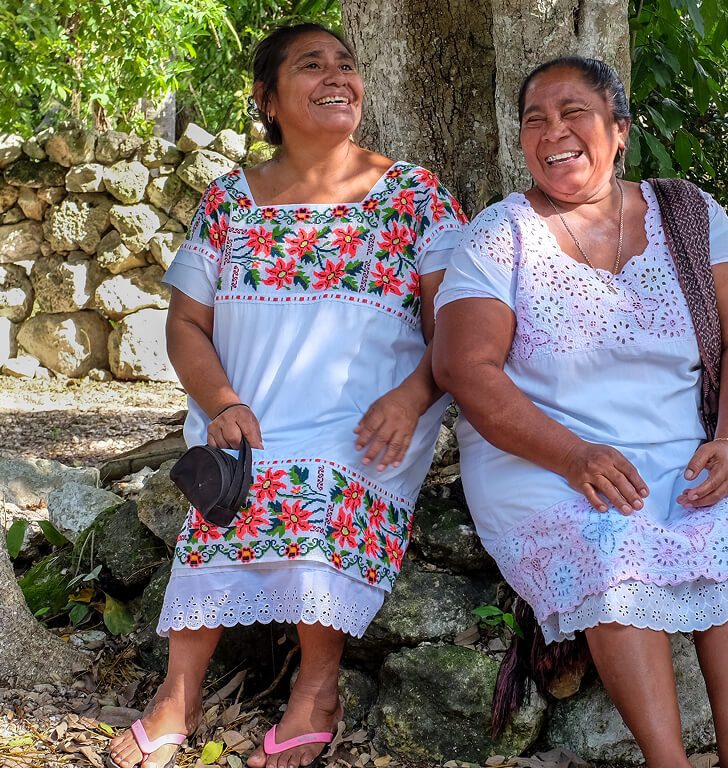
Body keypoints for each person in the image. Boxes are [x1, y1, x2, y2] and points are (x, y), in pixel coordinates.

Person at [108, 23, 465, 769]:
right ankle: (180, 689)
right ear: (267, 100)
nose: (337, 76)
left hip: (369, 415)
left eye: (346, 63)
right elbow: (186, 324)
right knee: (243, 466)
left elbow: (457, 330)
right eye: (312, 65)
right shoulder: (228, 201)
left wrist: (411, 396)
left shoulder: (413, 193)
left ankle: (318, 685)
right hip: (248, 406)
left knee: (317, 472)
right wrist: (225, 402)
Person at [432, 56, 728, 767]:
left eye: (573, 114)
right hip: (541, 457)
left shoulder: (688, 214)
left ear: (619, 130)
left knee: (726, 526)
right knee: (609, 542)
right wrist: (573, 455)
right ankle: (669, 761)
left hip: (678, 444)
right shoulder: (503, 234)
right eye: (535, 120)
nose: (553, 132)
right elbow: (463, 367)